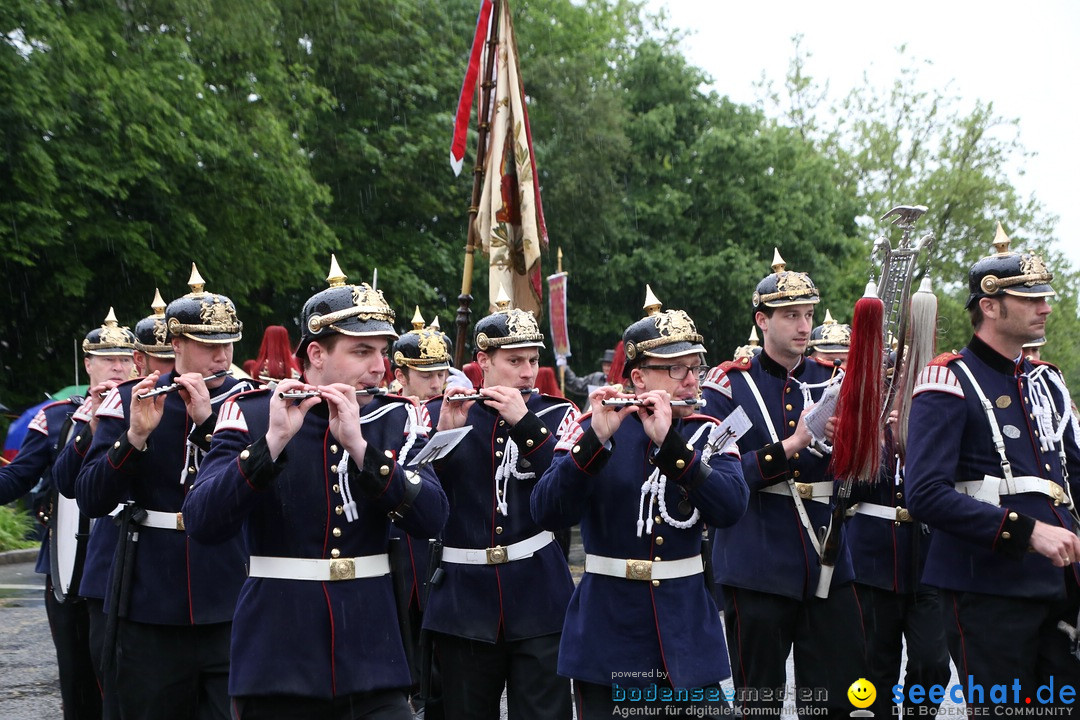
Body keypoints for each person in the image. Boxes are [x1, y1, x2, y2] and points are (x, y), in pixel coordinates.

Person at [183, 256, 448, 719]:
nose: (380, 368)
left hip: (373, 656)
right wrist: (272, 443)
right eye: (362, 351)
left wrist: (363, 451)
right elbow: (204, 521)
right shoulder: (249, 413)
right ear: (316, 355)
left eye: (382, 352)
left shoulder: (397, 417)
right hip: (277, 657)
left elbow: (433, 517)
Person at [531, 286, 748, 717]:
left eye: (694, 367)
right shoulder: (593, 426)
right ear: (638, 378)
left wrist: (672, 446)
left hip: (688, 633)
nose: (691, 380)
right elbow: (548, 511)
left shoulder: (709, 430)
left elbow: (731, 508)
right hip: (609, 634)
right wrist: (596, 440)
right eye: (675, 370)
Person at [906, 223, 1080, 710]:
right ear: (989, 305)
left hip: (1060, 585)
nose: (1045, 307)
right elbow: (925, 494)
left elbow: (1075, 479)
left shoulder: (1046, 382)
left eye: (1045, 296)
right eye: (1030, 299)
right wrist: (1027, 532)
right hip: (988, 587)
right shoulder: (947, 379)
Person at [75, 265, 254, 720]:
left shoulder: (250, 401)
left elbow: (259, 483)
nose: (221, 357)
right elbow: (91, 495)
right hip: (150, 596)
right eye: (208, 346)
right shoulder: (133, 397)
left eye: (227, 345)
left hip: (229, 589)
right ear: (176, 347)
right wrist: (134, 437)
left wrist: (210, 426)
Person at [700, 249, 866, 719]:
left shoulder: (832, 381)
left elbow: (863, 475)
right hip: (757, 560)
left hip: (828, 559)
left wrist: (857, 436)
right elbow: (719, 476)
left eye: (808, 315)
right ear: (761, 320)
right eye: (790, 315)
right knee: (761, 701)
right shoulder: (729, 387)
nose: (802, 326)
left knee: (841, 697)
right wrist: (795, 443)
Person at [423, 287, 579, 720]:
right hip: (463, 599)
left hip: (539, 594)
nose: (528, 373)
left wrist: (526, 425)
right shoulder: (446, 410)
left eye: (532, 361)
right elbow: (421, 500)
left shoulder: (556, 414)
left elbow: (569, 489)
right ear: (483, 360)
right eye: (515, 361)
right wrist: (442, 436)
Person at [0, 308, 135, 720]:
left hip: (129, 566)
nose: (117, 366)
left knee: (130, 683)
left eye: (125, 358)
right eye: (107, 358)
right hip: (69, 568)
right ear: (88, 364)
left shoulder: (149, 412)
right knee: (78, 682)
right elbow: (16, 480)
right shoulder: (59, 416)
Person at [58, 297, 178, 720]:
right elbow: (68, 483)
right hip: (109, 558)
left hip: (175, 568)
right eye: (105, 358)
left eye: (172, 357)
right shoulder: (81, 410)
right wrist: (89, 426)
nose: (167, 368)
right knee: (105, 683)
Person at [388, 305, 455, 718]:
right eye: (426, 374)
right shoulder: (387, 414)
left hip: (437, 537)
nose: (436, 383)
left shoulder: (450, 409)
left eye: (442, 373)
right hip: (395, 540)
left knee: (436, 650)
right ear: (400, 375)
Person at [131, 288, 176, 378]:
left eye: (180, 359)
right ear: (139, 359)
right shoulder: (122, 392)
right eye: (168, 360)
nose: (177, 368)